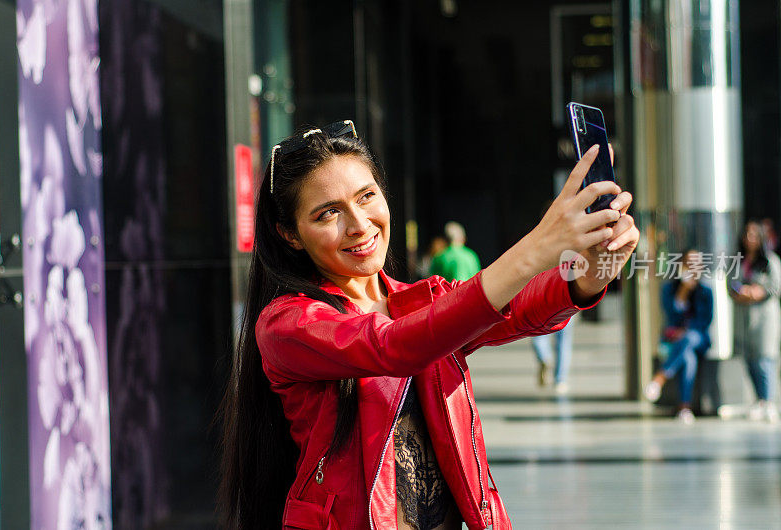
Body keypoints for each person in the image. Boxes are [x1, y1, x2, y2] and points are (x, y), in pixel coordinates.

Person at [217, 120, 639, 529]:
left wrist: (593, 270)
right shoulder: (288, 322)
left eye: (366, 196)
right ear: (290, 234)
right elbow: (394, 347)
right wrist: (536, 248)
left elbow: (518, 310)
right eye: (328, 214)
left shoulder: (420, 299)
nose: (359, 224)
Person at [644, 249, 714, 423]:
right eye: (688, 263)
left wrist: (686, 332)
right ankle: (684, 407)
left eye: (696, 263)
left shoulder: (706, 292)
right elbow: (671, 315)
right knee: (688, 358)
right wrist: (683, 290)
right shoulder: (669, 289)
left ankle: (660, 377)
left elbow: (705, 321)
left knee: (690, 338)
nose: (692, 267)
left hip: (699, 338)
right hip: (675, 341)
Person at [729, 220, 781, 423]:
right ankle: (759, 401)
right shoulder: (737, 260)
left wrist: (757, 292)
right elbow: (730, 284)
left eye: (754, 235)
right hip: (743, 317)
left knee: (765, 359)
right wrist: (741, 292)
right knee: (749, 359)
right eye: (747, 234)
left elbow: (775, 287)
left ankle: (769, 401)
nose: (749, 239)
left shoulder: (770, 261)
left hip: (764, 317)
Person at [532, 315, 575, 395]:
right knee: (563, 340)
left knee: (539, 333)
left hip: (542, 304)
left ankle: (544, 357)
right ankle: (560, 380)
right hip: (568, 305)